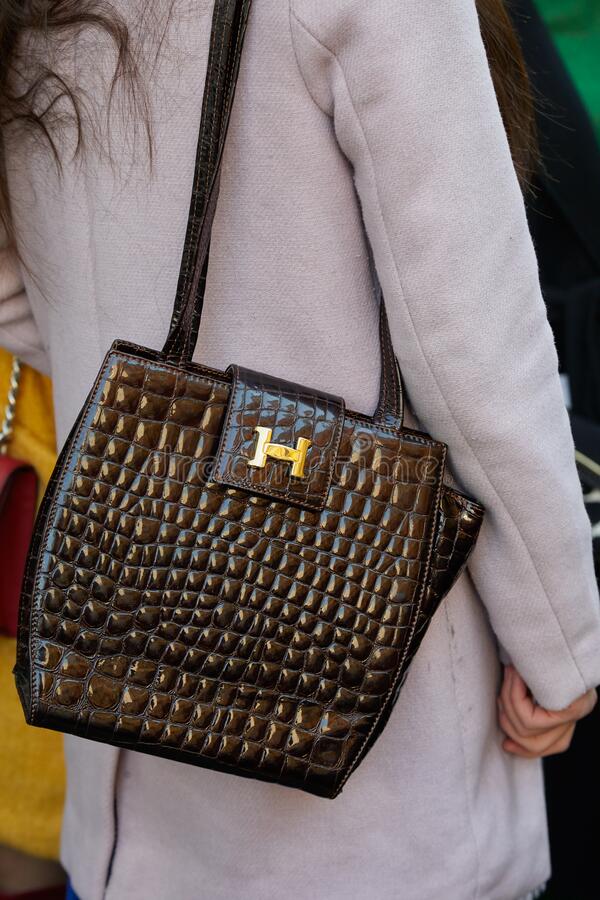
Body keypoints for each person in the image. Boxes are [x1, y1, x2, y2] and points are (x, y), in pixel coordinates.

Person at [0, 2, 599, 899]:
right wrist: (561, 649)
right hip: (382, 800)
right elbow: (474, 353)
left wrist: (137, 386)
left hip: (125, 763)